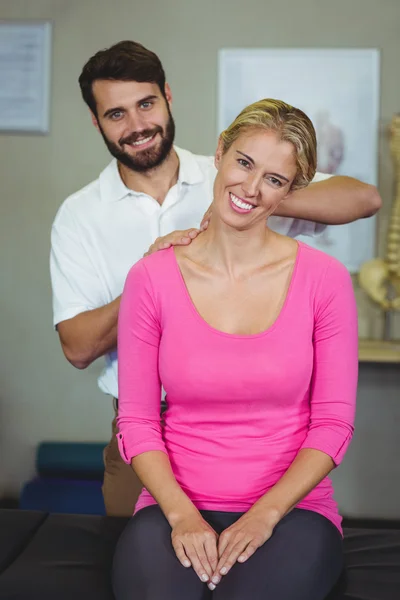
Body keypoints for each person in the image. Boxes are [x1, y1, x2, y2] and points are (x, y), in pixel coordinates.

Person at [50, 40, 378, 518]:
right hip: (144, 427)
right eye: (116, 114)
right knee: (136, 571)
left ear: (167, 95)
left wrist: (255, 198)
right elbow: (77, 347)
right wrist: (151, 282)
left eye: (146, 104)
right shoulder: (78, 216)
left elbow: (363, 199)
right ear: (96, 121)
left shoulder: (232, 168)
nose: (138, 125)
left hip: (258, 430)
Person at [112, 98, 358, 600]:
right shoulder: (151, 277)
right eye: (244, 162)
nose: (250, 188)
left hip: (293, 512)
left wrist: (264, 516)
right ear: (221, 153)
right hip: (172, 506)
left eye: (274, 179)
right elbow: (137, 422)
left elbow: (333, 425)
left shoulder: (324, 281)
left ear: (291, 191)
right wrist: (182, 517)